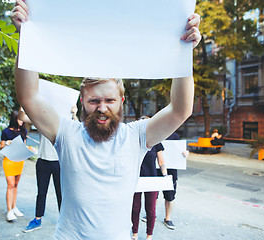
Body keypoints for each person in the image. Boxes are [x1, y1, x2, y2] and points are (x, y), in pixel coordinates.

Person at [11, 1, 201, 239]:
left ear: (122, 100)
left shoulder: (137, 136)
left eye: (109, 101)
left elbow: (180, 110)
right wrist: (26, 38)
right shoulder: (66, 134)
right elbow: (28, 96)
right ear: (82, 100)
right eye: (94, 102)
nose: (102, 109)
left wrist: (185, 51)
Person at [19, 107, 78, 233]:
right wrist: (23, 105)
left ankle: (65, 221)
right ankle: (37, 220)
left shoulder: (65, 124)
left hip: (59, 162)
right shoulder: (42, 122)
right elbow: (23, 117)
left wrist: (74, 114)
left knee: (61, 193)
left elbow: (78, 128)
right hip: (43, 161)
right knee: (41, 193)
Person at [131, 116, 164, 240]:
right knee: (135, 208)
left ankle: (149, 235)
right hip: (136, 179)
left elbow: (161, 162)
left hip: (152, 180)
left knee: (150, 209)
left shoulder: (157, 142)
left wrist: (165, 175)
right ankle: (134, 233)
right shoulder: (134, 141)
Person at [0, 110, 28, 222]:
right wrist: (6, 143)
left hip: (19, 160)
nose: (22, 121)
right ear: (14, 119)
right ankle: (9, 211)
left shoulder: (23, 131)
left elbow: (24, 146)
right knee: (10, 185)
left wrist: (29, 150)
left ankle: (14, 207)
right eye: (20, 119)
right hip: (9, 161)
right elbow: (1, 148)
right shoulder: (6, 132)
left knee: (16, 185)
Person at [156, 132, 186, 230]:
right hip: (155, 168)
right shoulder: (155, 133)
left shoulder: (175, 136)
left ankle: (168, 218)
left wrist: (185, 153)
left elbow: (180, 150)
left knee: (170, 196)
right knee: (153, 194)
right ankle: (151, 214)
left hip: (171, 169)